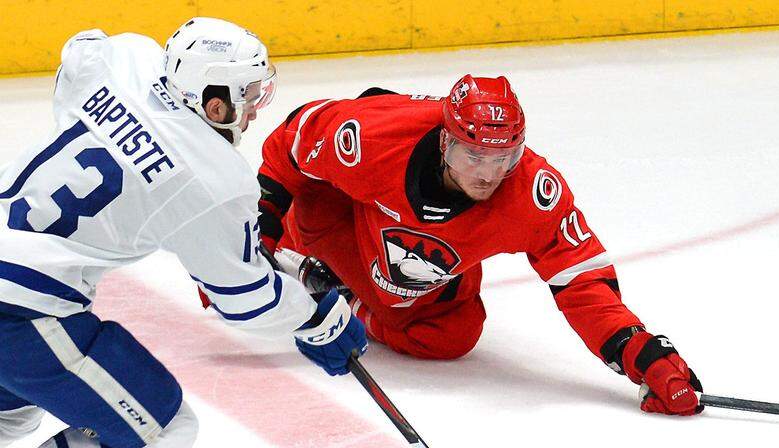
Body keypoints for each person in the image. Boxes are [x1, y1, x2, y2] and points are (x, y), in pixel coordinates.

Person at [0, 18, 366, 448]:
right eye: (244, 94)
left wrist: (112, 137)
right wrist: (317, 317)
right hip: (22, 311)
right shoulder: (214, 180)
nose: (253, 107)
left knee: (14, 413)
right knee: (163, 429)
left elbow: (79, 52)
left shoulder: (126, 62)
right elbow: (246, 299)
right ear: (213, 101)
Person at [254, 75, 701, 418]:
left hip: (420, 268)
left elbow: (579, 274)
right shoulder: (375, 137)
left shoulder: (529, 189)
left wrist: (634, 348)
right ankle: (301, 251)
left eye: (503, 158)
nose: (489, 174)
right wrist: (260, 233)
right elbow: (293, 140)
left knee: (453, 335)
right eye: (475, 155)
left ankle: (349, 297)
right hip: (340, 220)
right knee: (311, 208)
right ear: (446, 140)